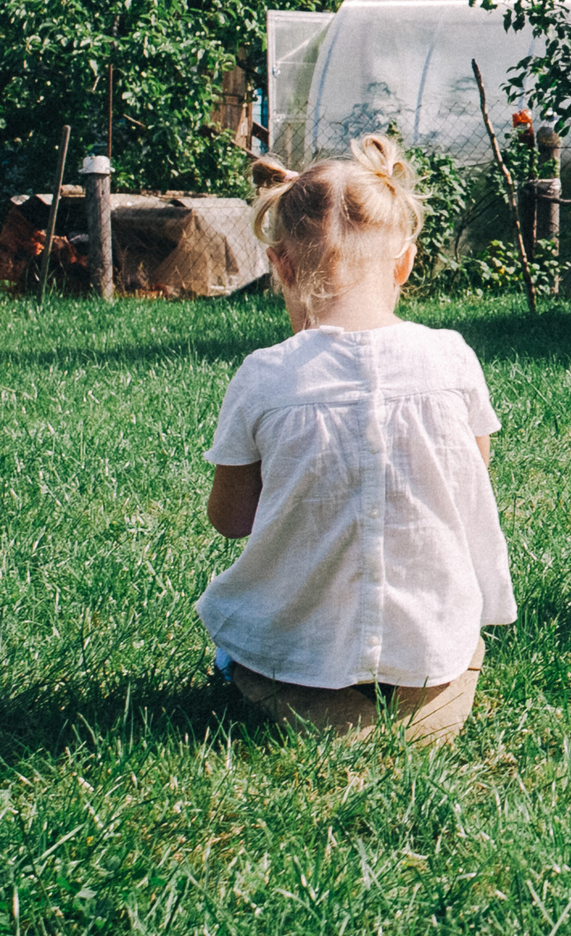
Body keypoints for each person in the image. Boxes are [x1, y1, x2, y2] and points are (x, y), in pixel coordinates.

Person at [197, 136, 513, 746]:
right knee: (441, 682)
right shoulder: (451, 358)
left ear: (281, 265)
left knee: (256, 660)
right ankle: (419, 708)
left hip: (295, 641)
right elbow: (474, 481)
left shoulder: (265, 375)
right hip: (431, 639)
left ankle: (328, 707)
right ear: (405, 263)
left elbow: (231, 519)